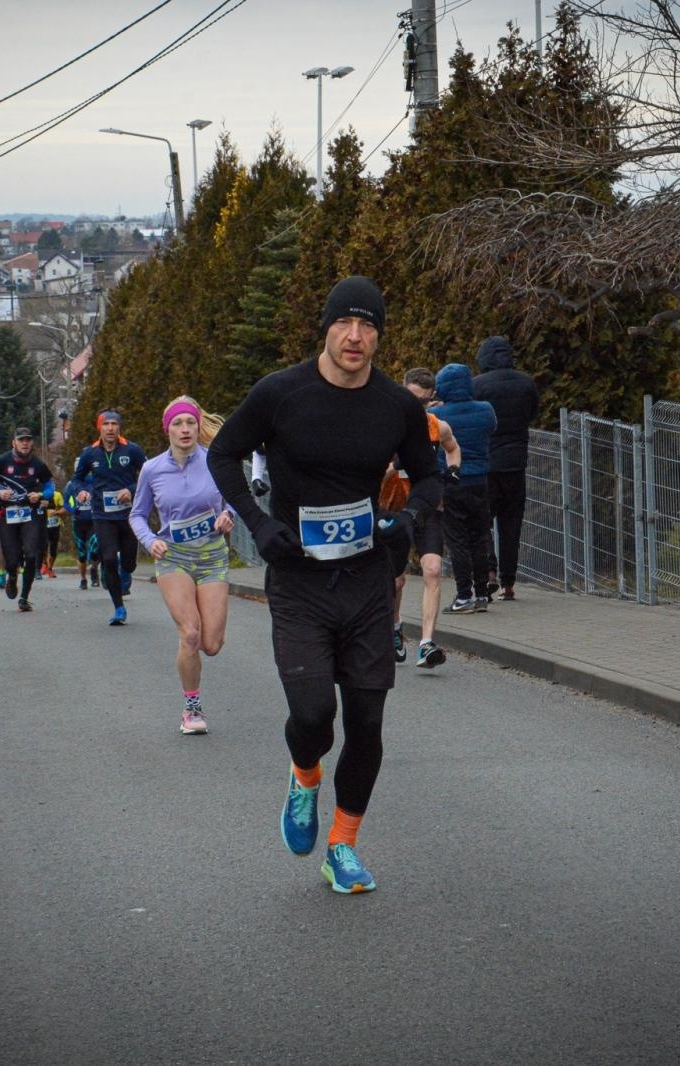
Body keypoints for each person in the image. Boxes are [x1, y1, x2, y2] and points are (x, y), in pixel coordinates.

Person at [209, 275, 441, 894]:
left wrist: (408, 523)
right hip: (300, 584)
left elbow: (431, 476)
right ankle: (305, 773)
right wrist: (259, 525)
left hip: (366, 582)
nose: (356, 337)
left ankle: (343, 846)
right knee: (314, 715)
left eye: (369, 327)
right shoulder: (280, 393)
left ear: (380, 337)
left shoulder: (397, 406)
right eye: (346, 323)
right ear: (327, 326)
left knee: (366, 723)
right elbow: (222, 455)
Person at [129, 396, 236, 735]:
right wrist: (150, 541)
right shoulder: (152, 469)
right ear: (168, 430)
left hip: (212, 556)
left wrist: (227, 514)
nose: (185, 429)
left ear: (197, 426)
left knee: (211, 645)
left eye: (190, 422)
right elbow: (137, 515)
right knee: (190, 633)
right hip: (173, 556)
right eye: (178, 423)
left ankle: (195, 691)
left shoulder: (215, 460)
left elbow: (235, 495)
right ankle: (191, 708)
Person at [383, 368, 462, 668]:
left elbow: (453, 448)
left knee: (432, 569)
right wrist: (394, 465)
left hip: (427, 508)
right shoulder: (384, 424)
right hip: (392, 508)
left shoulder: (435, 425)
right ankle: (394, 627)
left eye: (425, 403)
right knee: (397, 581)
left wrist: (453, 470)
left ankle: (427, 643)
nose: (418, 409)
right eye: (413, 401)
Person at [472, 335, 541, 602]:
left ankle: (489, 569)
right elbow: (532, 412)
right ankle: (508, 583)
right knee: (512, 524)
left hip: (486, 463)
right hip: (516, 463)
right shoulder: (526, 383)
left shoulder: (477, 386)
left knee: (482, 521)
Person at [429, 362, 498, 614]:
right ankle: (482, 594)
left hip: (450, 480)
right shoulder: (485, 410)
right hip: (480, 481)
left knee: (457, 540)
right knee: (479, 537)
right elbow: (492, 428)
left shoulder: (439, 416)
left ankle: (463, 595)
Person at [73, 411, 147, 625]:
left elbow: (148, 475)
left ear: (119, 427)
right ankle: (119, 608)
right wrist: (81, 491)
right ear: (100, 428)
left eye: (114, 424)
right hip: (102, 514)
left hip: (129, 514)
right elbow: (77, 480)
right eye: (106, 424)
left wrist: (131, 489)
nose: (110, 428)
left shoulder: (132, 450)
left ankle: (127, 571)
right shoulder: (90, 453)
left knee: (129, 562)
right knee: (108, 560)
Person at [0, 427, 55, 613]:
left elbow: (50, 486)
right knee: (11, 559)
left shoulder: (37, 465)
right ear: (14, 443)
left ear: (32, 443)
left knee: (30, 554)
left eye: (28, 439)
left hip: (30, 514)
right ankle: (11, 577)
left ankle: (24, 597)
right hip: (7, 514)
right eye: (21, 440)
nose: (25, 443)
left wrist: (41, 494)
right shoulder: (1, 461)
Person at [64, 467, 99, 590]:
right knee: (82, 553)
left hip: (93, 521)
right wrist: (74, 510)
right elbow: (65, 503)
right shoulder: (71, 484)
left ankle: (94, 570)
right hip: (78, 522)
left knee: (95, 548)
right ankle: (83, 579)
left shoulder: (94, 481)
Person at [42, 486, 65, 579]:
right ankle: (44, 564)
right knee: (43, 546)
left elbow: (64, 508)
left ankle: (50, 568)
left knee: (53, 548)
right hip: (43, 525)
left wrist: (56, 512)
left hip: (55, 525)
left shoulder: (57, 495)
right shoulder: (40, 494)